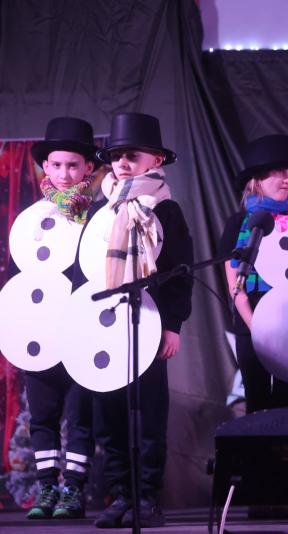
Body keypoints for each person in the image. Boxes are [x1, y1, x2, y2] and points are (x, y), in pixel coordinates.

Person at [76, 112, 193, 528]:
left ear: (155, 160)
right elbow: (85, 270)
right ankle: (121, 495)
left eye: (132, 155)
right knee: (108, 414)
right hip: (104, 325)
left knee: (147, 416)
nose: (123, 163)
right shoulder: (101, 211)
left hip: (148, 321)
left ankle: (147, 497)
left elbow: (180, 271)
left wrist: (173, 325)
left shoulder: (165, 210)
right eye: (117, 156)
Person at [22, 117, 98, 519]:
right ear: (45, 168)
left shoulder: (99, 218)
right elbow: (18, 277)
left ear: (89, 168)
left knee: (80, 415)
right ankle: (48, 488)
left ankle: (73, 490)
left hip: (83, 329)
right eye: (56, 165)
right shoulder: (31, 221)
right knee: (43, 414)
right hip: (40, 328)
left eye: (73, 165)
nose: (64, 174)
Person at [219, 134, 288, 414]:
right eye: (277, 172)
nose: (286, 179)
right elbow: (235, 286)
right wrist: (255, 326)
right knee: (257, 402)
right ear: (256, 180)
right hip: (251, 325)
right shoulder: (238, 224)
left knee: (287, 404)